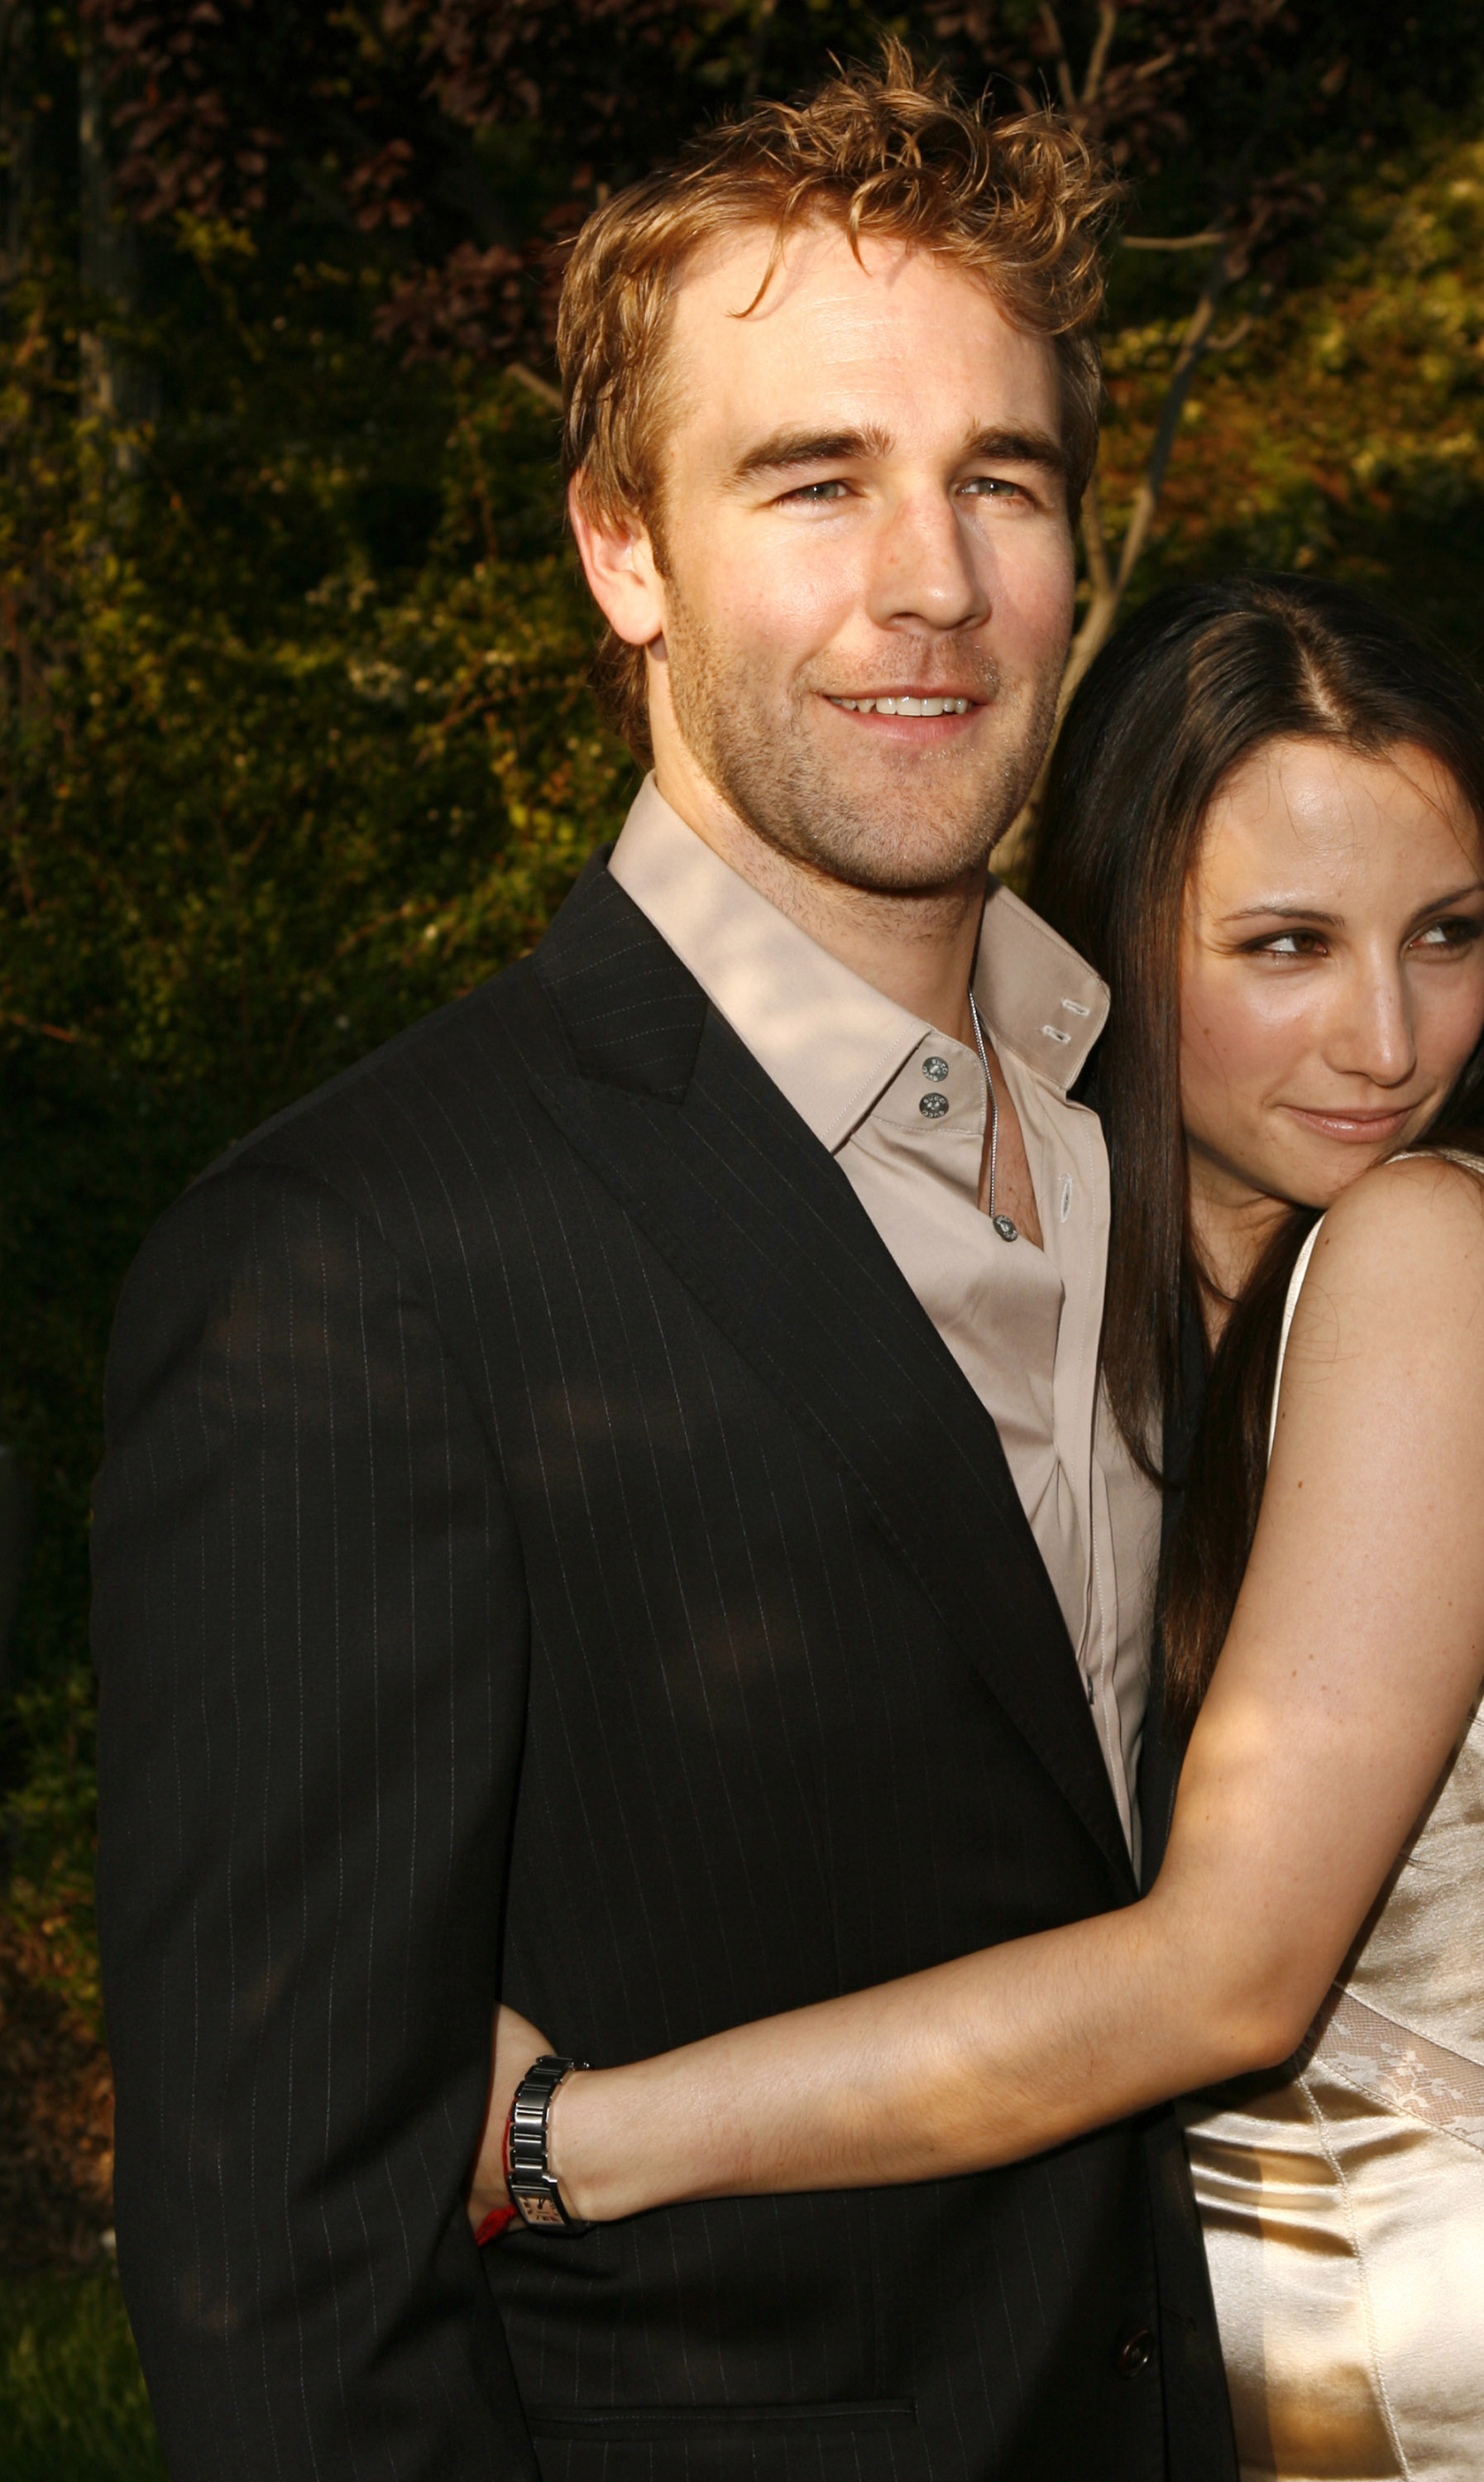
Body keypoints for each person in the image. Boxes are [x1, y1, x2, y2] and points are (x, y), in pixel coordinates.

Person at [91, 55, 1246, 2482]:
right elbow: (292, 2305)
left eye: (999, 482)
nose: (929, 581)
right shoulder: (354, 1269)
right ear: (623, 551)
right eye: (812, 481)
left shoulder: (1171, 1136)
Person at [472, 577, 1484, 2482]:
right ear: (1118, 941)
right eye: (1287, 944)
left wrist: (572, 2137)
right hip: (1148, 2382)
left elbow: (1230, 1974)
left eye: (1448, 935)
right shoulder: (1083, 1315)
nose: (1388, 1038)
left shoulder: (1433, 1254)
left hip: (1442, 2413)